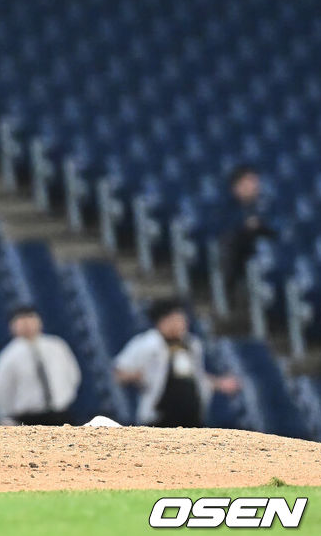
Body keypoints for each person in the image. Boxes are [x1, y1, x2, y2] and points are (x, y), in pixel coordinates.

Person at [114, 299, 240, 427]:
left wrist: (219, 383)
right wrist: (136, 376)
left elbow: (195, 376)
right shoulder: (147, 343)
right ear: (164, 321)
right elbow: (119, 372)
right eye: (178, 319)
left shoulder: (192, 344)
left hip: (192, 417)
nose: (183, 324)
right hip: (160, 417)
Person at [0, 305, 81, 426]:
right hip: (28, 418)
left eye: (31, 319)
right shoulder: (8, 356)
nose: (27, 325)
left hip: (60, 414)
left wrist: (64, 398)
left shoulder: (57, 346)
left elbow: (72, 375)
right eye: (21, 321)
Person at [221, 165, 275, 309]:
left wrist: (261, 226)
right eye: (248, 182)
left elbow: (279, 229)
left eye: (254, 181)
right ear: (236, 187)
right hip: (243, 256)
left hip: (268, 253)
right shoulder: (227, 208)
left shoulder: (267, 206)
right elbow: (225, 231)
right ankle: (234, 299)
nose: (254, 186)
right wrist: (245, 227)